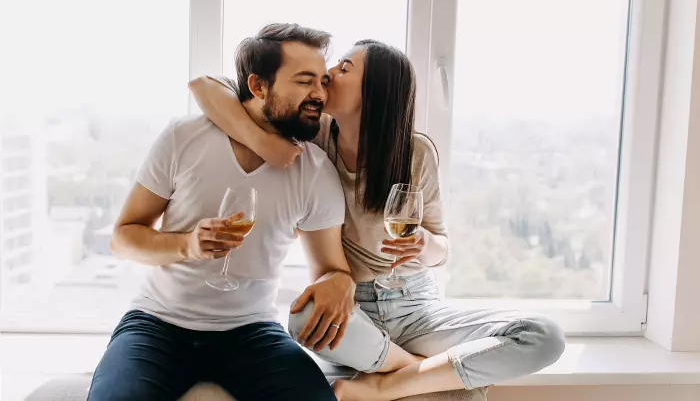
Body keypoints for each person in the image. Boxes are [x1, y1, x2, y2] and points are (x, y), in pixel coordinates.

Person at [190, 38, 566, 401]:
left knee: (542, 336)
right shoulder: (314, 136)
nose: (328, 73)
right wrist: (264, 143)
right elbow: (204, 85)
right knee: (302, 317)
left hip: (416, 309)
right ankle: (421, 373)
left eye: (344, 67)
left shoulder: (415, 152)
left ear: (374, 92)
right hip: (353, 312)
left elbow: (441, 249)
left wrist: (423, 242)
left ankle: (386, 385)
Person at [88, 24, 357, 401]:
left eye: (323, 81)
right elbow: (123, 237)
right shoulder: (183, 137)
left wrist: (341, 282)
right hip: (157, 324)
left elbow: (331, 267)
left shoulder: (313, 170)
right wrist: (188, 246)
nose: (319, 94)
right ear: (259, 86)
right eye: (304, 81)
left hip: (253, 331)